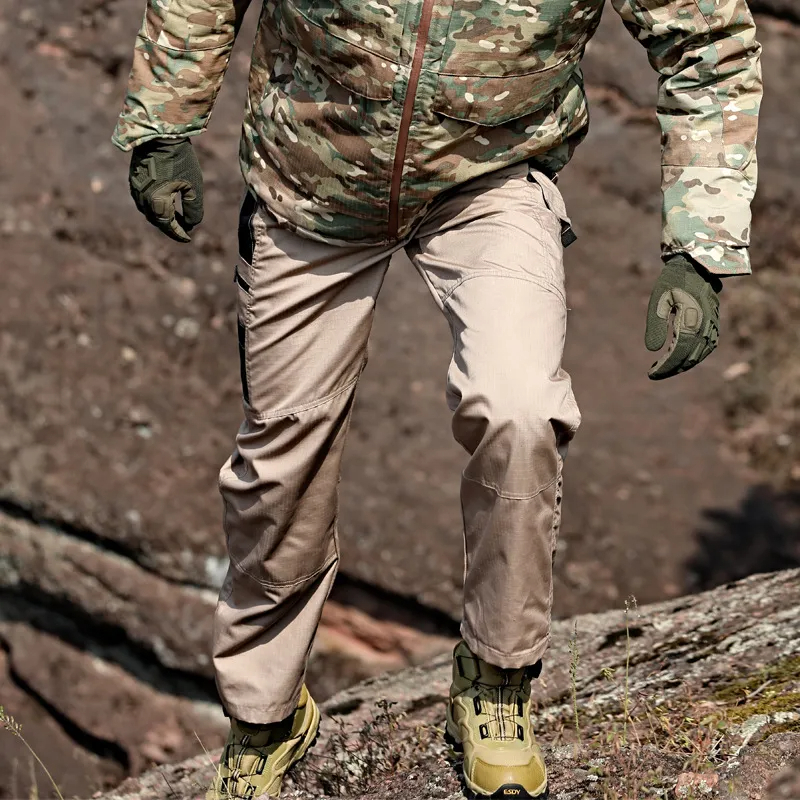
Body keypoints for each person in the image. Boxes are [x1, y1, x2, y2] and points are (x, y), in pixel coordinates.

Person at [113, 0, 761, 794]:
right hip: (310, 180)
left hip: (489, 181)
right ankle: (266, 711)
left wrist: (699, 245)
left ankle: (495, 678)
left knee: (520, 408)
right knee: (281, 461)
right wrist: (161, 124)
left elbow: (708, 42)